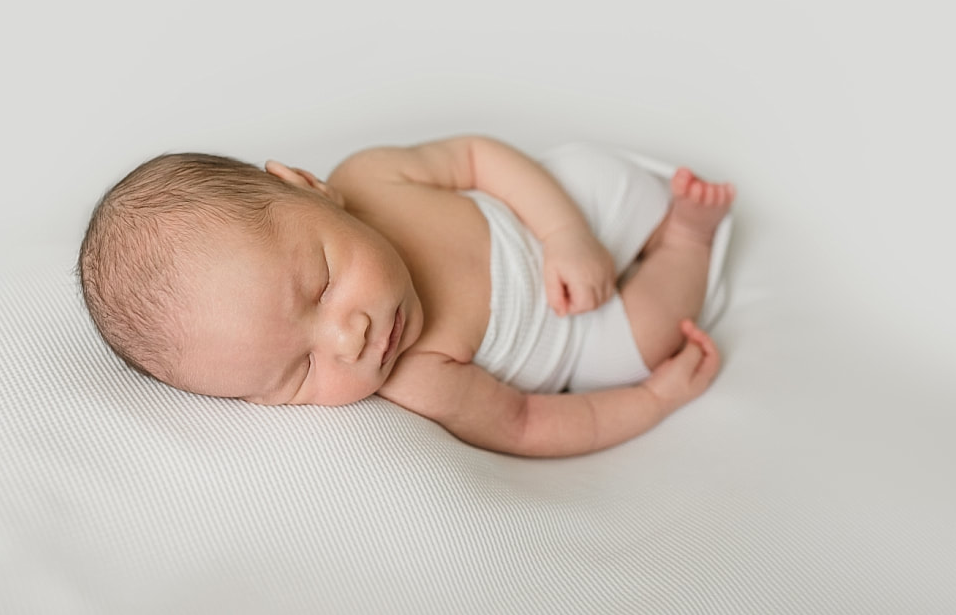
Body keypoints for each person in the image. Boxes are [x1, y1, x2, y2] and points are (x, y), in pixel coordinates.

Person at [78, 135, 735, 457]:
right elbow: (526, 423)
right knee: (646, 341)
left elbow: (477, 159)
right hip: (580, 331)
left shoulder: (373, 177)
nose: (349, 340)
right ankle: (685, 241)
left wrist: (563, 233)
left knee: (588, 172)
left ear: (309, 186)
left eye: (323, 285)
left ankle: (631, 220)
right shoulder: (419, 379)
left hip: (550, 222)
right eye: (299, 372)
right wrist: (653, 398)